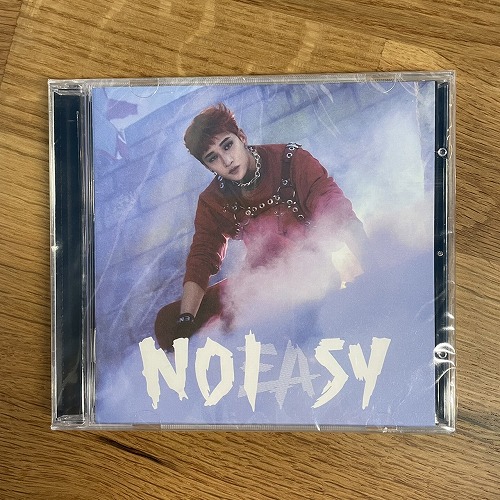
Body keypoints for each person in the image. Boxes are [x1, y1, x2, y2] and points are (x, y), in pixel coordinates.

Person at [154, 103, 369, 350]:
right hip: (258, 286)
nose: (226, 160)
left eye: (227, 145)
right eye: (213, 158)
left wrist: (372, 265)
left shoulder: (292, 161)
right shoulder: (213, 200)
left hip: (312, 276)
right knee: (168, 323)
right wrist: (186, 319)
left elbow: (335, 209)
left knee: (287, 289)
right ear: (208, 166)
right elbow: (202, 257)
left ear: (241, 137)